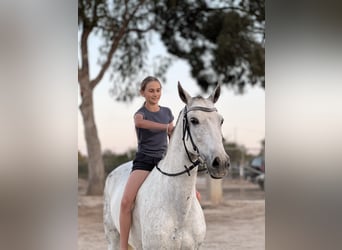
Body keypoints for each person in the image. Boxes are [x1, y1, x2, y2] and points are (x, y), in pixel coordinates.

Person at [119, 76, 174, 250]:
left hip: (163, 161)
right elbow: (140, 123)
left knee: (190, 195)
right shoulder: (140, 114)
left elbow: (172, 138)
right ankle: (123, 246)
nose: (155, 94)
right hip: (144, 161)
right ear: (142, 92)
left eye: (158, 90)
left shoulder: (167, 112)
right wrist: (165, 127)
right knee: (126, 202)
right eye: (151, 90)